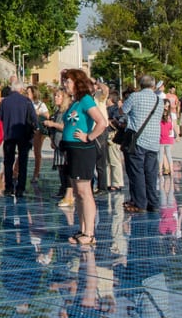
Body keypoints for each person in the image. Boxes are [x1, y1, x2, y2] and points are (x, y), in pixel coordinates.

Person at [60, 68, 106, 246]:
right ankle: (82, 228)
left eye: (68, 81)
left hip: (82, 149)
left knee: (85, 191)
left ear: (77, 83)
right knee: (78, 193)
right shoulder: (75, 102)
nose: (65, 84)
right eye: (64, 81)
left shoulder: (86, 100)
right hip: (72, 149)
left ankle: (90, 232)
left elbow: (102, 122)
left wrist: (89, 136)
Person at [122, 74, 164, 213]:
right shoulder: (159, 100)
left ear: (140, 85)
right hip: (153, 141)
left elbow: (122, 110)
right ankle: (153, 202)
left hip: (137, 141)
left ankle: (140, 203)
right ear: (153, 85)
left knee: (136, 172)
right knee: (151, 173)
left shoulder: (135, 96)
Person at [0, 80, 37, 197]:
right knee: (23, 162)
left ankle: (8, 187)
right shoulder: (26, 101)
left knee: (8, 162)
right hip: (24, 135)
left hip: (9, 135)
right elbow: (33, 119)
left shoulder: (5, 102)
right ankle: (20, 188)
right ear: (21, 90)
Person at [28, 85, 49, 182]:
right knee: (23, 152)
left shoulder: (40, 104)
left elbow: (47, 115)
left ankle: (36, 173)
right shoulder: (26, 103)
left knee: (37, 152)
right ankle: (16, 172)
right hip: (28, 128)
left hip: (38, 130)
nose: (27, 94)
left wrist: (38, 113)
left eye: (28, 92)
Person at [159, 109, 175, 176]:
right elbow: (170, 132)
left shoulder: (159, 123)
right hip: (168, 141)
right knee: (169, 156)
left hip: (161, 141)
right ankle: (171, 171)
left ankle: (160, 171)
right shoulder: (169, 124)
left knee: (160, 156)